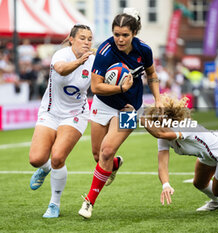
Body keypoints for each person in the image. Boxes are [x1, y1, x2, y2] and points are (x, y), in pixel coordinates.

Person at [78, 8, 162, 219]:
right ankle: (115, 164)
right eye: (116, 34)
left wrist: (158, 99)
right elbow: (96, 88)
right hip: (103, 103)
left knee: (106, 150)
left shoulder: (144, 50)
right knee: (98, 156)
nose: (120, 39)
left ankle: (89, 202)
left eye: (125, 35)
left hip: (130, 108)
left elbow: (152, 74)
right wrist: (121, 88)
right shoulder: (105, 51)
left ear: (134, 33)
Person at [28, 24, 95, 218]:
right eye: (82, 38)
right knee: (36, 159)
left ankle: (54, 204)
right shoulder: (61, 55)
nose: (86, 42)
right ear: (71, 39)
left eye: (89, 39)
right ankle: (45, 168)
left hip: (76, 114)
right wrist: (80, 61)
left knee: (58, 157)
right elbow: (61, 69)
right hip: (50, 112)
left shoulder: (93, 61)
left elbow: (102, 81)